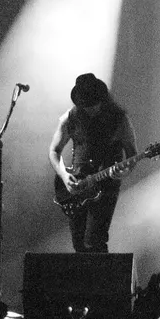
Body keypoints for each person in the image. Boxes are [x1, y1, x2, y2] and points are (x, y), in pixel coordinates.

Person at [48, 73, 138, 253]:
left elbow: (132, 154)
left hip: (106, 186)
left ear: (102, 99)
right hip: (78, 187)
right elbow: (54, 151)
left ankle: (101, 272)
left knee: (95, 240)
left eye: (93, 104)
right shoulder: (69, 118)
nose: (89, 109)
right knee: (79, 244)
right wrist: (64, 176)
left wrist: (124, 171)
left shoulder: (119, 119)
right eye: (85, 105)